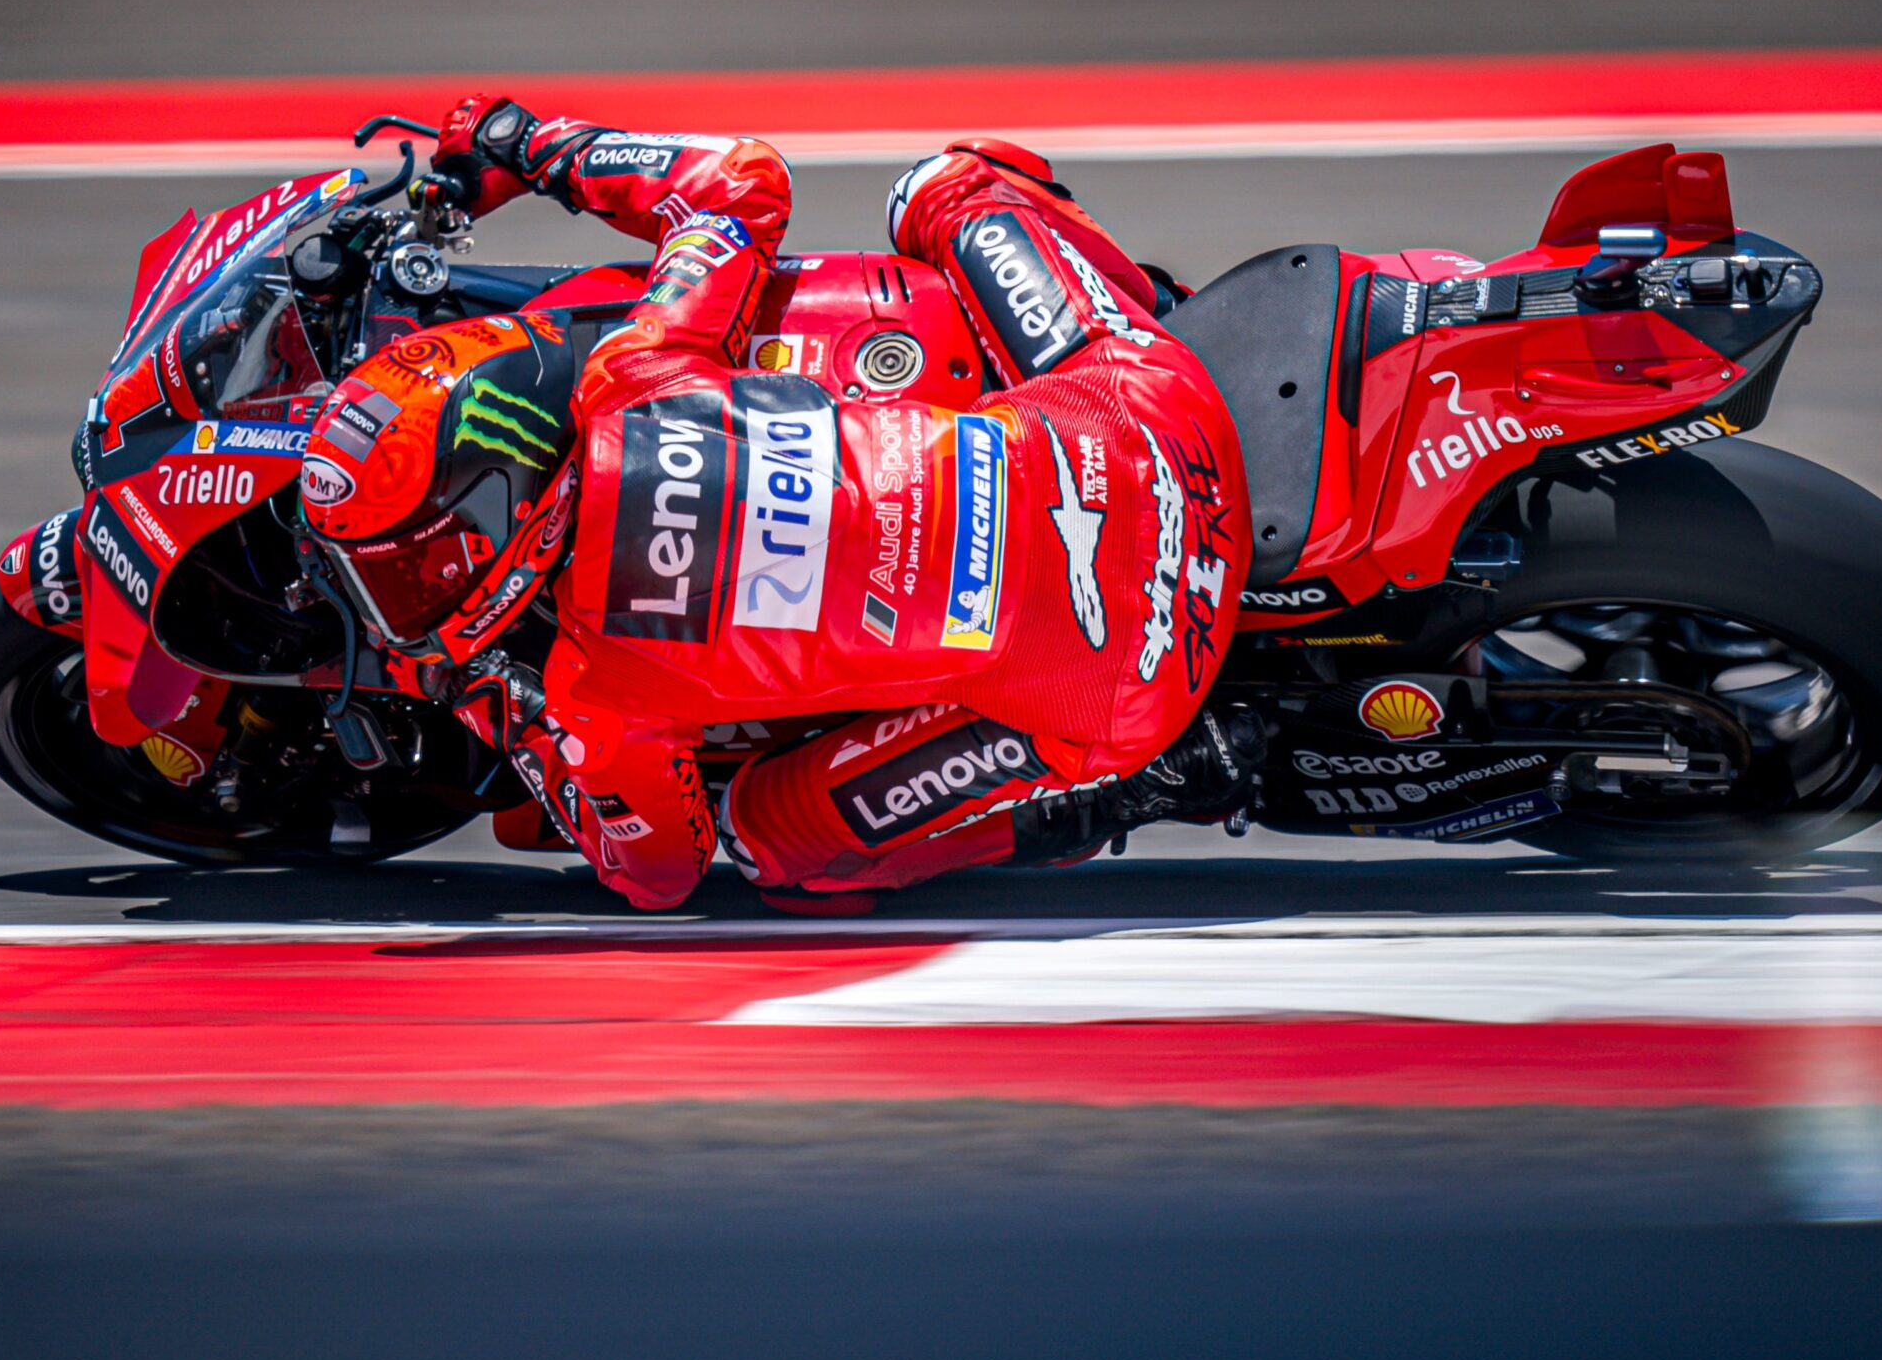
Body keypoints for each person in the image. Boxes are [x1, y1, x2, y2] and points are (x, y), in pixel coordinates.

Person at [300, 96, 1258, 911]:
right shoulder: (639, 374)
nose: (395, 596)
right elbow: (740, 181)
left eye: (409, 563)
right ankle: (1158, 308)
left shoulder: (592, 693)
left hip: (1128, 683)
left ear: (505, 509)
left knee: (768, 844)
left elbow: (658, 871)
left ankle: (1131, 790)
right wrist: (527, 146)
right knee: (943, 186)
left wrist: (502, 716)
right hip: (1150, 414)